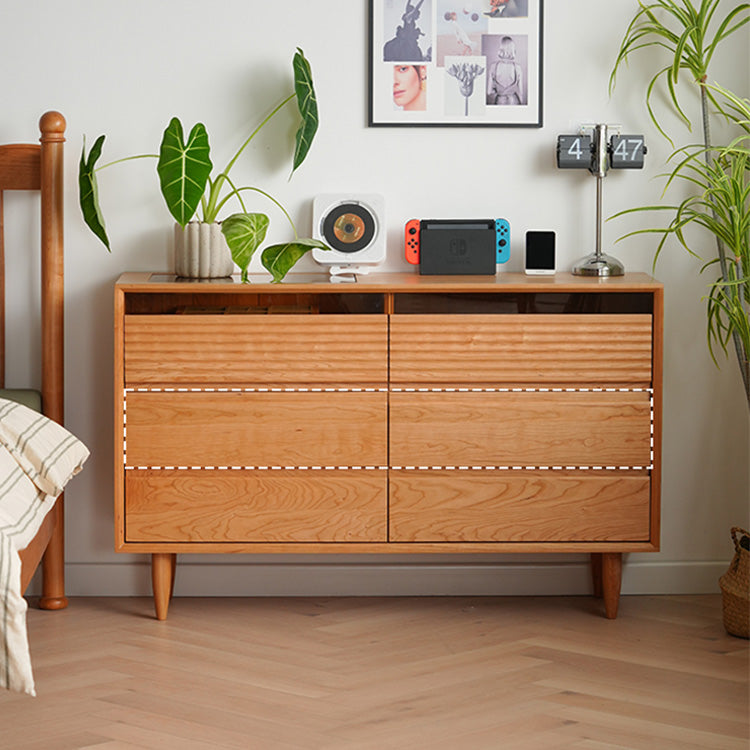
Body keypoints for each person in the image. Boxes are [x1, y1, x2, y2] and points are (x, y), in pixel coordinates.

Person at [488, 36, 523, 104]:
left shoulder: (493, 66)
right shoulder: (517, 67)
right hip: (514, 102)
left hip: (499, 101)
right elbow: (521, 92)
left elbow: (489, 92)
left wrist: (499, 91)